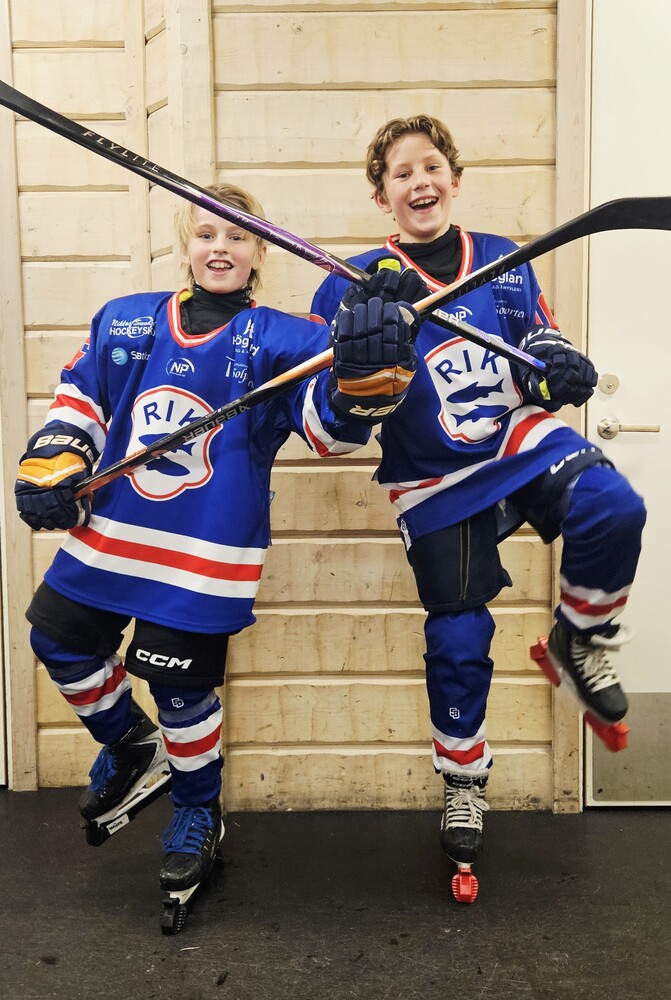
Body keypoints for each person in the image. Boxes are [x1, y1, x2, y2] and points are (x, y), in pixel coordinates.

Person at [15, 182, 420, 922]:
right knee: (57, 641)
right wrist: (54, 463)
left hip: (206, 552)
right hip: (110, 534)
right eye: (206, 234)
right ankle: (127, 742)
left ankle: (198, 810)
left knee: (182, 694)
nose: (220, 247)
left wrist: (364, 380)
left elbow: (329, 432)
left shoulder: (288, 338)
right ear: (185, 245)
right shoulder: (126, 317)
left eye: (236, 236)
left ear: (260, 251)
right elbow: (82, 398)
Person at [310, 115, 646, 876]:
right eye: (401, 173)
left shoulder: (502, 259)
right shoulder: (350, 281)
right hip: (431, 473)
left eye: (431, 166)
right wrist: (363, 360)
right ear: (381, 197)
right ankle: (464, 780)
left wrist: (558, 371)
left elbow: (538, 348)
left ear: (454, 180)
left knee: (613, 506)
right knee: (458, 638)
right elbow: (333, 426)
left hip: (516, 440)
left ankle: (581, 638)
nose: (419, 181)